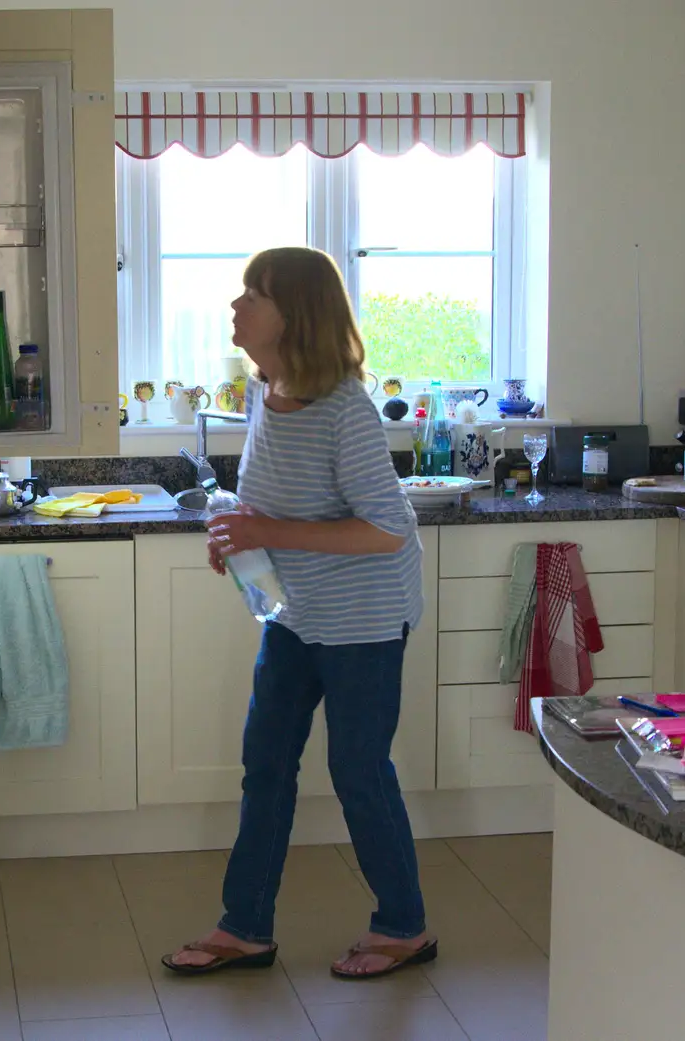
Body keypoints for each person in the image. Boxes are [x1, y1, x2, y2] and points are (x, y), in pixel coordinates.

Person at [162, 246, 434, 981]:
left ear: (296, 317)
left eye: (255, 293)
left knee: (357, 771)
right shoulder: (266, 390)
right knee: (267, 766)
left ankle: (404, 925)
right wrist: (240, 538)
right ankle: (245, 925)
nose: (236, 305)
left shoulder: (345, 409)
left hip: (364, 623)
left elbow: (386, 528)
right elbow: (278, 504)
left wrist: (266, 532)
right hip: (294, 615)